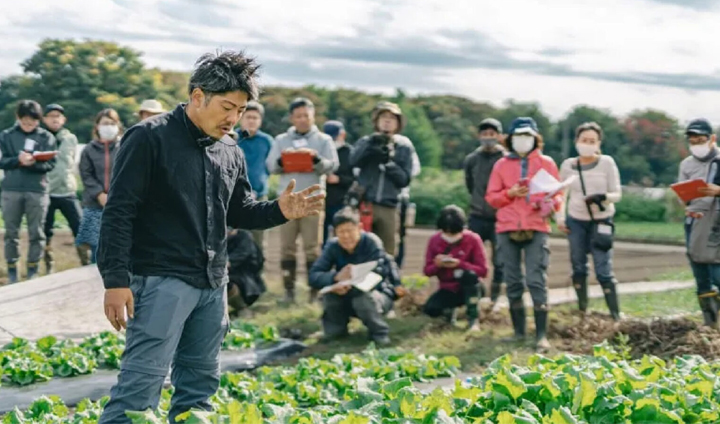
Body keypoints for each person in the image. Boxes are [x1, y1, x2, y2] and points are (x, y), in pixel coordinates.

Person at [95, 51, 325, 424]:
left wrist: (281, 210)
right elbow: (119, 212)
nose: (233, 118)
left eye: (241, 108)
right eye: (227, 106)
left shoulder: (229, 148)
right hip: (160, 280)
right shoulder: (149, 138)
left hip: (212, 283)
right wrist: (116, 281)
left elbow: (240, 211)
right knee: (140, 390)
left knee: (199, 388)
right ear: (197, 96)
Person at [485, 117, 563, 352]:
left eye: (527, 136)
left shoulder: (546, 163)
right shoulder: (501, 165)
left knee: (536, 278)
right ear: (510, 139)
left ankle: (541, 335)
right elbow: (491, 197)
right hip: (507, 227)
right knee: (512, 280)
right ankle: (518, 332)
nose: (522, 140)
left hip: (536, 226)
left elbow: (557, 195)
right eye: (518, 136)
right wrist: (509, 193)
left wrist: (549, 204)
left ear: (535, 138)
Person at [266, 97, 339, 303]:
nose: (302, 119)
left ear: (313, 116)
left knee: (312, 246)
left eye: (306, 115)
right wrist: (285, 158)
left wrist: (315, 159)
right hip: (288, 199)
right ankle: (288, 291)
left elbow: (333, 165)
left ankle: (313, 291)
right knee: (287, 245)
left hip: (313, 200)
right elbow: (271, 166)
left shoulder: (324, 140)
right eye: (298, 116)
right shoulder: (281, 139)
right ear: (291, 118)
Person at [309, 208, 405, 345]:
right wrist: (335, 278)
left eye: (350, 230)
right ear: (335, 232)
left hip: (376, 294)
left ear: (359, 228)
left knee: (362, 298)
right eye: (341, 232)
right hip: (345, 291)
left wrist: (352, 282)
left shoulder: (371, 242)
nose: (346, 236)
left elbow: (380, 273)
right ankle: (335, 331)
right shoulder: (332, 246)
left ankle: (379, 332)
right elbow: (314, 275)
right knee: (330, 295)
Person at [557, 122, 622, 321]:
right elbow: (561, 193)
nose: (587, 144)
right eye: (584, 140)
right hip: (576, 219)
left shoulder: (607, 163)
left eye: (592, 141)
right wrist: (559, 218)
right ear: (577, 141)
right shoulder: (569, 165)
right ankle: (582, 310)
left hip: (601, 220)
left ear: (598, 143)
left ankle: (615, 315)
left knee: (603, 269)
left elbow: (617, 194)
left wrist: (604, 197)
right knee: (578, 266)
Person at [0, 100, 57, 283]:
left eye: (33, 122)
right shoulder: (6, 136)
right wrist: (18, 160)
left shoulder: (46, 137)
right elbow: (2, 161)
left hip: (37, 190)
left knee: (37, 232)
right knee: (11, 232)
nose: (29, 125)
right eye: (25, 121)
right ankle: (12, 269)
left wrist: (34, 162)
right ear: (18, 118)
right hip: (11, 190)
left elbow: (51, 163)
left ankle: (33, 269)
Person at [350, 101, 416, 256]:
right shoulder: (365, 141)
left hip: (390, 205)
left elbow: (404, 180)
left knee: (388, 251)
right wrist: (370, 148)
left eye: (392, 118)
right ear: (376, 121)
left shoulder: (404, 148)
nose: (387, 121)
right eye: (383, 117)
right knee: (358, 247)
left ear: (398, 124)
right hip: (365, 203)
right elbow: (352, 162)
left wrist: (388, 163)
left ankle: (385, 279)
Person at [677, 118, 720, 327]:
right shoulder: (687, 164)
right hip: (695, 222)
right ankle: (710, 325)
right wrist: (688, 205)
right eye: (693, 142)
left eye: (700, 140)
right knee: (701, 275)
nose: (697, 145)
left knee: (717, 274)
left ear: (712, 139)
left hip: (717, 224)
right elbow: (684, 196)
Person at [463, 117, 507, 310]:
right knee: (472, 257)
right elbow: (469, 185)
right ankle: (475, 295)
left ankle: (495, 298)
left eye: (492, 134)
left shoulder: (505, 159)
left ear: (498, 136)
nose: (488, 138)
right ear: (479, 136)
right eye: (484, 134)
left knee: (500, 260)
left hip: (500, 217)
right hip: (477, 215)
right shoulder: (472, 159)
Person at [422, 205, 488, 331]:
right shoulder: (435, 240)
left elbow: (483, 270)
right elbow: (427, 271)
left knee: (469, 275)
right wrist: (438, 265)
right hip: (447, 288)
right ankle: (449, 314)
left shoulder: (472, 239)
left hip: (470, 284)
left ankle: (473, 318)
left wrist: (460, 264)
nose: (450, 236)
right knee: (431, 309)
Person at [42, 103, 86, 272]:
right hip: (46, 190)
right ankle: (48, 265)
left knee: (79, 226)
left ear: (63, 119)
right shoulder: (40, 137)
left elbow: (72, 160)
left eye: (58, 116)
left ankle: (86, 261)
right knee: (46, 229)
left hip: (67, 190)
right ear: (45, 119)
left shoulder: (71, 138)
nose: (55, 119)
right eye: (51, 116)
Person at [76, 109, 122, 264]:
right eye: (104, 124)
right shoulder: (89, 150)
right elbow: (86, 174)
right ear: (97, 127)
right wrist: (99, 194)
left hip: (120, 204)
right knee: (97, 244)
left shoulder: (124, 146)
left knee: (119, 244)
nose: (108, 127)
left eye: (112, 123)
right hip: (95, 203)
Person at [237, 100, 273, 252]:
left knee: (258, 238)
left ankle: (257, 272)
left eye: (255, 118)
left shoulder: (267, 141)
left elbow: (271, 166)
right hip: (235, 197)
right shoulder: (232, 137)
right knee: (236, 236)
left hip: (259, 196)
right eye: (248, 117)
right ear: (240, 118)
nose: (251, 121)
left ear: (260, 121)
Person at [322, 120, 354, 246]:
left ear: (343, 135)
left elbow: (355, 179)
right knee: (321, 238)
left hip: (341, 201)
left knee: (341, 236)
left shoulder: (350, 152)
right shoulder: (322, 150)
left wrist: (339, 179)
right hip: (323, 200)